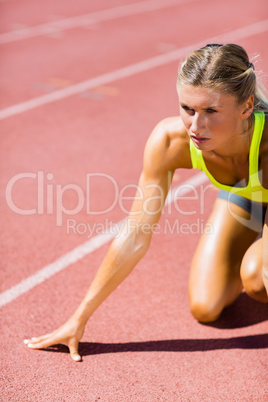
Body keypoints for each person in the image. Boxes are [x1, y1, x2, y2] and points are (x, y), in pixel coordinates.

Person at [24, 43, 268, 362]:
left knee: (258, 275)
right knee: (205, 308)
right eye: (188, 109)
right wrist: (78, 319)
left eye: (211, 111)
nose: (196, 127)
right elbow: (135, 234)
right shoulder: (170, 141)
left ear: (246, 106)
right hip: (244, 198)